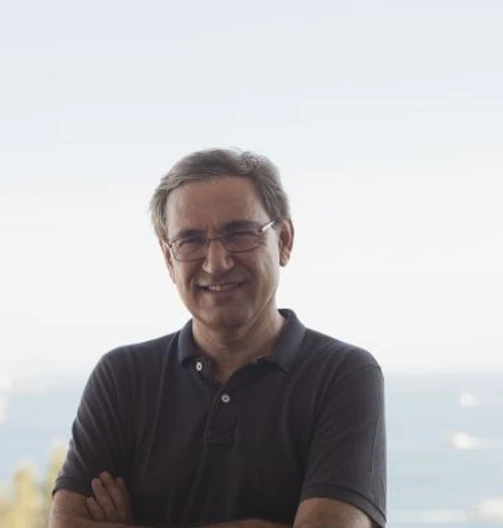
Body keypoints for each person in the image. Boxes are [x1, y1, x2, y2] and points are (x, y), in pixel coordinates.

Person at [49, 148, 386, 528]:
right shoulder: (123, 376)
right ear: (169, 259)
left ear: (284, 241)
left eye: (239, 234)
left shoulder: (342, 374)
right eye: (190, 241)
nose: (216, 262)